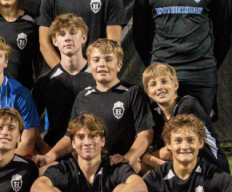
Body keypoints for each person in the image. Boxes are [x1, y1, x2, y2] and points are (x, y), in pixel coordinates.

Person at [132, 0, 231, 119]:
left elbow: (224, 35)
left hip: (200, 74)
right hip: (163, 75)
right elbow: (139, 35)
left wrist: (206, 64)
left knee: (200, 136)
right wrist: (157, 66)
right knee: (165, 136)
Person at [34, 39, 152, 173]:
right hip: (87, 167)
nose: (102, 64)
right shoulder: (83, 96)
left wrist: (128, 158)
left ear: (119, 65)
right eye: (96, 60)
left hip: (117, 166)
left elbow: (146, 133)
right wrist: (48, 157)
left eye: (108, 60)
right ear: (90, 66)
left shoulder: (132, 92)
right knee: (43, 171)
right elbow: (69, 137)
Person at [139, 62, 228, 172]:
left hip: (212, 170)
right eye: (153, 84)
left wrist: (147, 157)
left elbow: (171, 151)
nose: (160, 87)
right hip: (184, 169)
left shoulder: (188, 105)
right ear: (147, 92)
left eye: (164, 81)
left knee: (146, 166)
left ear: (175, 85)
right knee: (138, 167)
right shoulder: (154, 112)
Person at [31, 14, 94, 155]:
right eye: (61, 34)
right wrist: (44, 148)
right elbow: (29, 122)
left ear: (83, 38)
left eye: (73, 33)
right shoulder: (44, 82)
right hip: (54, 154)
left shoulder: (98, 78)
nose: (67, 38)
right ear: (54, 40)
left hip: (92, 153)